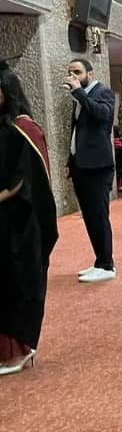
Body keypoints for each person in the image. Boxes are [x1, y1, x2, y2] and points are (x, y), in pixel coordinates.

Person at [0, 64, 58, 375]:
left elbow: (24, 181)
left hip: (16, 223)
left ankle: (17, 351)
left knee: (14, 283)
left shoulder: (23, 129)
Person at [65, 58, 117, 282]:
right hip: (81, 165)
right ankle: (99, 261)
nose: (73, 76)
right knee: (89, 216)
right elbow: (77, 133)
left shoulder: (103, 93)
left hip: (98, 166)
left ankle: (107, 264)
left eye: (77, 71)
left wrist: (79, 94)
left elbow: (102, 116)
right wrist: (71, 161)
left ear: (90, 73)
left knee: (98, 214)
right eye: (70, 72)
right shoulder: (79, 99)